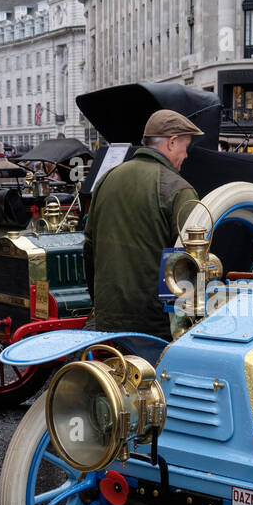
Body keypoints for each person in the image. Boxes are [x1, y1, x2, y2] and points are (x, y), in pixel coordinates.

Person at [83, 109, 200, 340]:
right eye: (185, 147)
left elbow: (88, 248)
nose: (186, 155)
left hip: (108, 318)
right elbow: (192, 261)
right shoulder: (178, 189)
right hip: (155, 326)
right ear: (172, 142)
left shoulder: (107, 179)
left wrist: (99, 303)